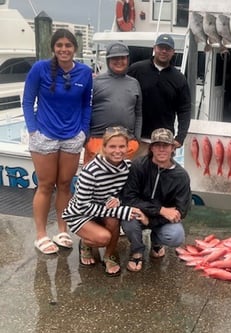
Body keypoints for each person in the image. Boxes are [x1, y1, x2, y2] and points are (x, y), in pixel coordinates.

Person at [22, 28, 93, 254]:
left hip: (72, 138)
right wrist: (34, 130)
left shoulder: (85, 72)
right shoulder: (39, 69)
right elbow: (27, 101)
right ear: (54, 48)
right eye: (59, 45)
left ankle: (62, 230)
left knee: (64, 185)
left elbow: (86, 105)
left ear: (75, 48)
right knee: (45, 185)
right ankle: (41, 234)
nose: (64, 49)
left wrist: (83, 130)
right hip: (45, 136)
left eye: (68, 45)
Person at [62, 127, 144, 276]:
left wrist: (117, 199)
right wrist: (122, 210)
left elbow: (123, 192)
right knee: (103, 238)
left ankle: (109, 255)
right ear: (104, 147)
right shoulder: (90, 171)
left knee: (114, 220)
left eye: (121, 146)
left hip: (104, 209)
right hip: (80, 213)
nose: (117, 151)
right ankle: (86, 243)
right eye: (112, 146)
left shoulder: (127, 168)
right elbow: (82, 205)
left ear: (127, 148)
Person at [121, 128, 191, 272]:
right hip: (140, 213)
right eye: (157, 145)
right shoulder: (138, 166)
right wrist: (161, 209)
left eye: (165, 145)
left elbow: (181, 210)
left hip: (159, 219)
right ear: (151, 147)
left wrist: (151, 220)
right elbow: (128, 198)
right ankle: (137, 252)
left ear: (173, 148)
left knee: (176, 236)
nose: (161, 149)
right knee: (128, 220)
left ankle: (157, 242)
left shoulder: (181, 176)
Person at [127, 34, 191, 156]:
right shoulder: (137, 69)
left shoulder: (179, 79)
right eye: (160, 47)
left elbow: (185, 110)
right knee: (135, 174)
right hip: (137, 139)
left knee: (161, 175)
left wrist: (180, 137)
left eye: (168, 49)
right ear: (154, 48)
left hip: (164, 142)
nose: (164, 51)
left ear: (173, 52)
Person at [84, 42, 142, 164]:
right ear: (108, 60)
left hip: (126, 144)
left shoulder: (134, 83)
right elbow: (84, 110)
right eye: (115, 58)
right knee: (94, 180)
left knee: (122, 181)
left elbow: (138, 112)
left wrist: (136, 138)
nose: (119, 61)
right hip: (98, 141)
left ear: (128, 59)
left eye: (122, 58)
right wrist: (87, 139)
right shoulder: (95, 82)